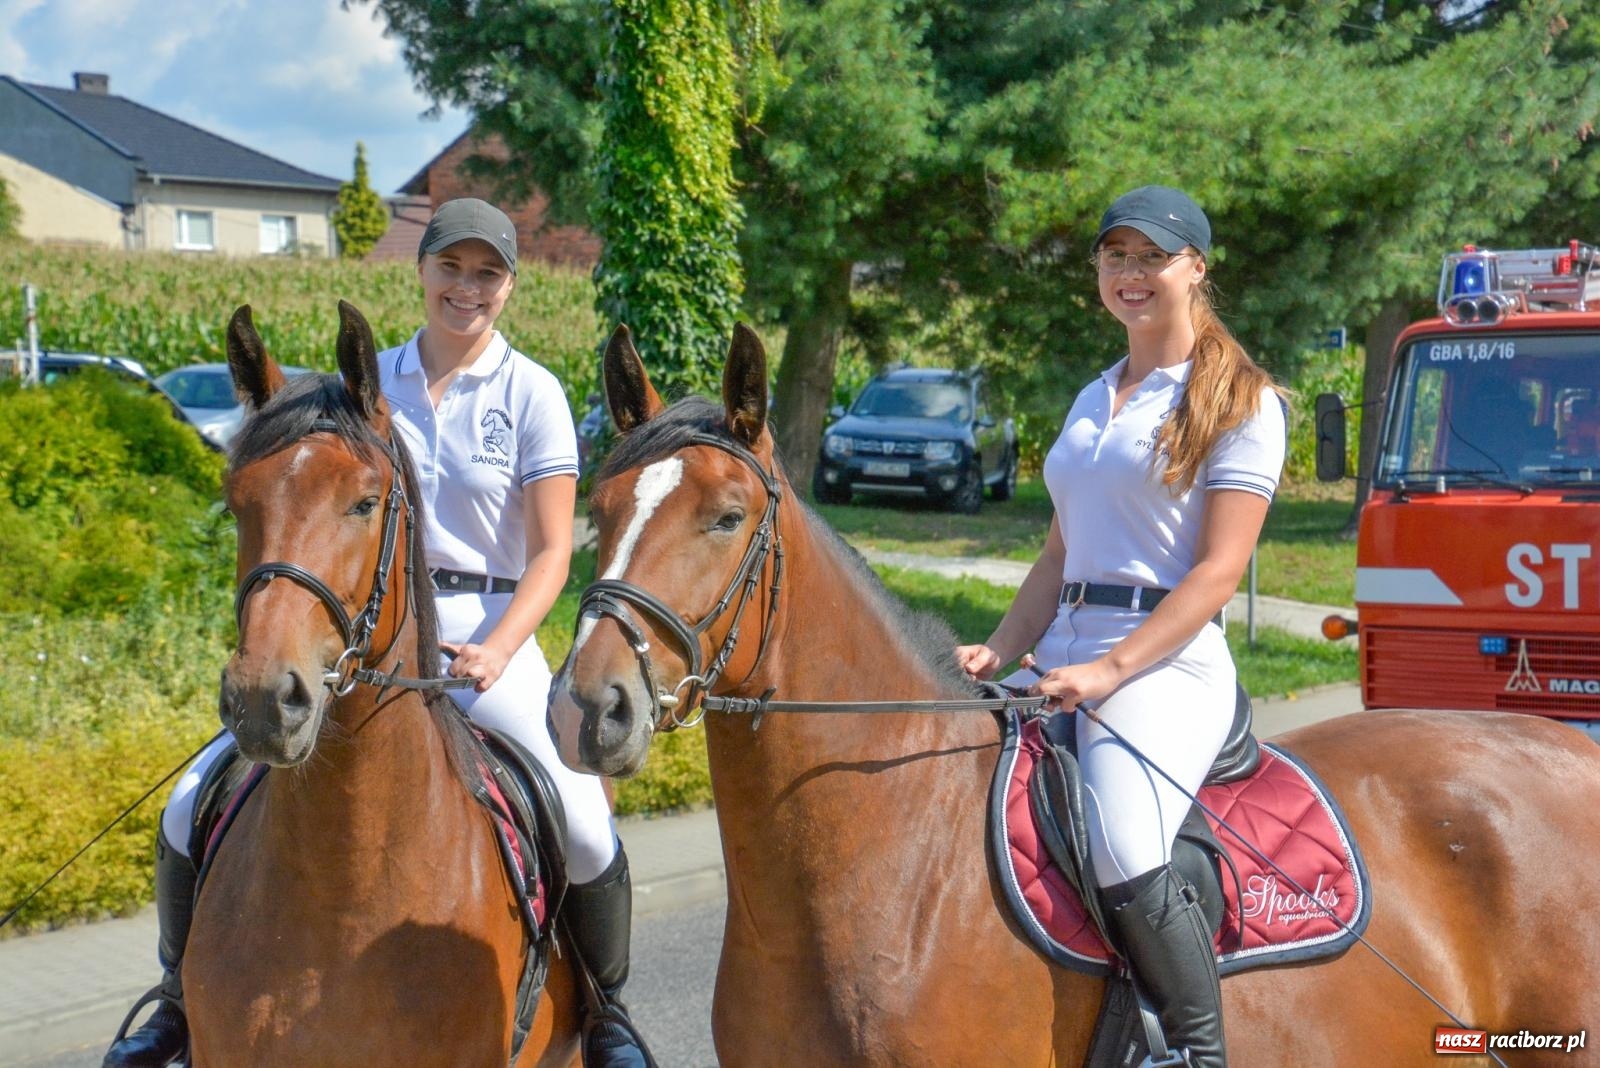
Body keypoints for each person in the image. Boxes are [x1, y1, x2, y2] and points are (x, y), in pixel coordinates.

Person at [103, 199, 654, 1068]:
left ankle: (608, 1013)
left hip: (486, 626)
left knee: (582, 819)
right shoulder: (368, 385)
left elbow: (554, 552)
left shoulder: (532, 392)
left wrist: (503, 647)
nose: (466, 288)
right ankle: (175, 1003)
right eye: (451, 268)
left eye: (486, 273)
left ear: (507, 286)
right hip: (362, 627)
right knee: (186, 805)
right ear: (423, 271)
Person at [955, 186, 1284, 1068]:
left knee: (1121, 839)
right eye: (1114, 256)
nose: (1130, 274)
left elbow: (1218, 574)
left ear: (1196, 268)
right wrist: (1003, 645)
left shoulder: (1241, 401)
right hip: (1063, 651)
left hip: (1165, 671)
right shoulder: (1095, 395)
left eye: (1152, 256)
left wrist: (1110, 673)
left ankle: (1194, 1050)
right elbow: (1060, 554)